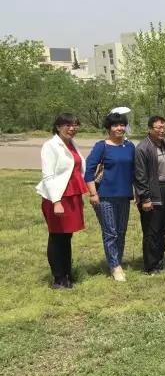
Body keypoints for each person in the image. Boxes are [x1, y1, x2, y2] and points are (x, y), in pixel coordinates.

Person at [36, 113, 88, 289]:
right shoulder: (50, 146)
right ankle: (58, 278)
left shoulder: (71, 143)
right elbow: (48, 175)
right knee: (57, 236)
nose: (72, 128)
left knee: (67, 236)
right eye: (68, 125)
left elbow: (78, 168)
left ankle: (67, 273)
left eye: (75, 125)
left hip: (72, 195)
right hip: (57, 197)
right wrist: (56, 201)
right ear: (58, 127)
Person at [85, 112, 135, 282]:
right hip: (104, 196)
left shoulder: (130, 146)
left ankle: (117, 261)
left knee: (121, 231)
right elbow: (89, 171)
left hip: (124, 196)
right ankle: (115, 266)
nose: (119, 128)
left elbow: (135, 171)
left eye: (122, 125)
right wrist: (93, 193)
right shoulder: (102, 146)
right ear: (109, 128)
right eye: (115, 125)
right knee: (110, 232)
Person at [134, 116, 165, 274]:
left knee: (164, 229)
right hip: (152, 192)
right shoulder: (142, 148)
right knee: (152, 231)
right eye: (158, 127)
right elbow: (140, 176)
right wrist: (145, 198)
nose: (162, 130)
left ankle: (159, 261)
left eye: (164, 127)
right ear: (150, 129)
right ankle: (150, 266)